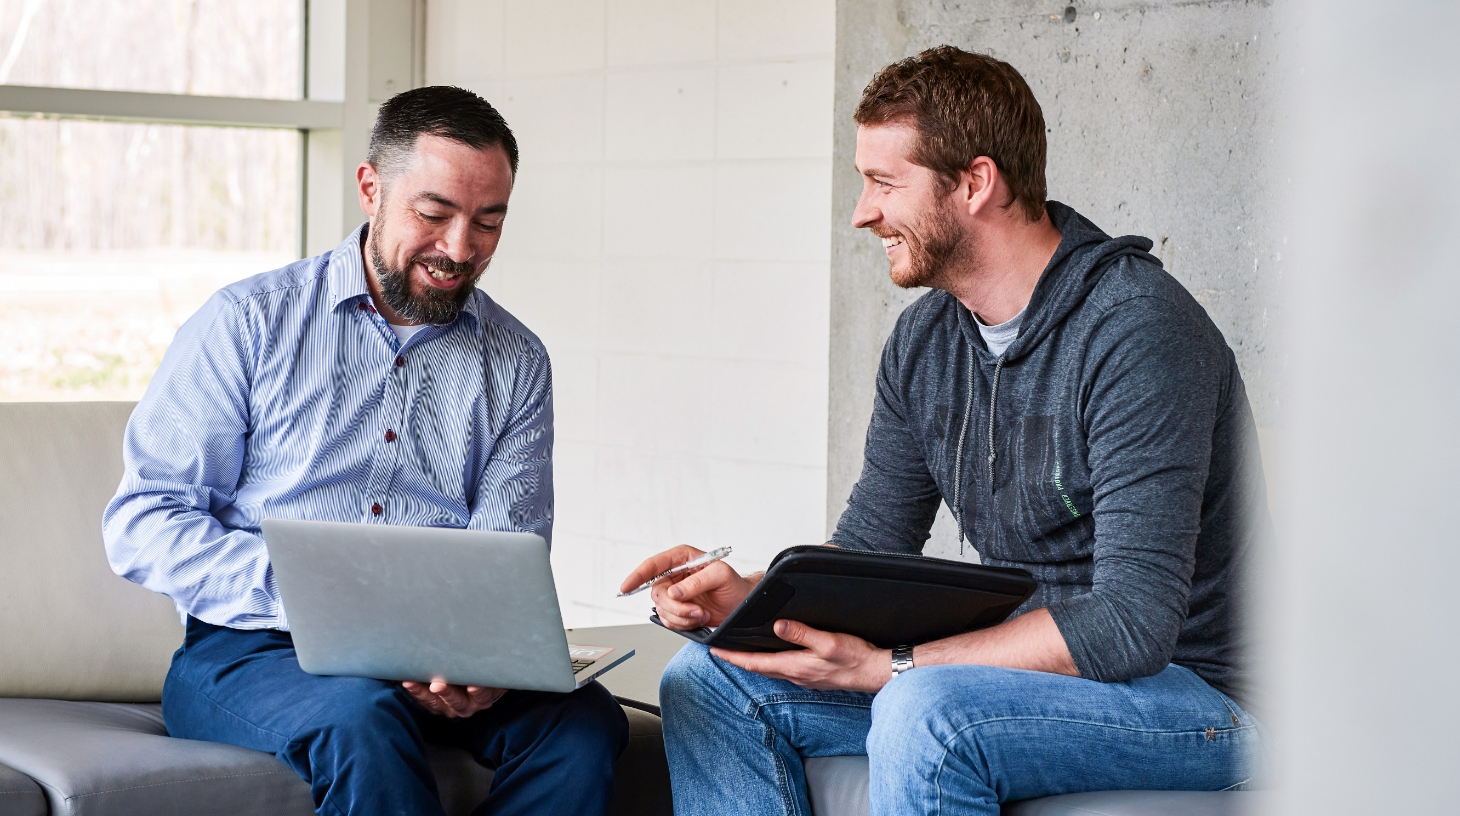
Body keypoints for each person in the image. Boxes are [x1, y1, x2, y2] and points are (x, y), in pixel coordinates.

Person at [621, 46, 1268, 815]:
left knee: (925, 712)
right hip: (1020, 675)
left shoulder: (1138, 333)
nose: (862, 213)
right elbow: (870, 553)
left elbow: (1131, 625)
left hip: (1199, 698)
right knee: (709, 680)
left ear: (975, 183)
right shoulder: (927, 341)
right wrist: (756, 601)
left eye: (884, 184)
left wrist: (896, 667)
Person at [104, 86, 627, 816]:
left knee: (585, 724)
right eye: (434, 213)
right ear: (371, 188)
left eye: (488, 222)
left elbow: (509, 545)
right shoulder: (247, 323)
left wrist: (484, 657)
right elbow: (144, 520)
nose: (460, 249)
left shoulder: (517, 360)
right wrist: (326, 600)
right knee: (360, 719)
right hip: (254, 651)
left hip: (442, 653)